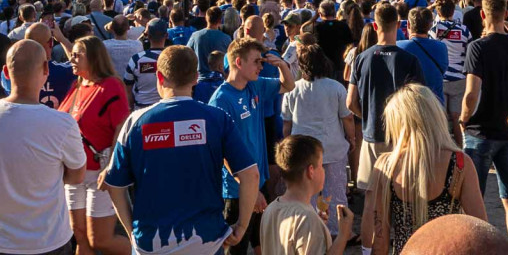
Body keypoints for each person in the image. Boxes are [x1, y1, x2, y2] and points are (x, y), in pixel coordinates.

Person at [104, 45, 261, 255]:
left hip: (151, 243)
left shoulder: (135, 122)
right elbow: (251, 174)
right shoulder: (217, 118)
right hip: (206, 240)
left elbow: (115, 186)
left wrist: (132, 233)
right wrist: (241, 227)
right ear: (196, 78)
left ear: (159, 77)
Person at [0, 39, 87, 255]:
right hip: (47, 242)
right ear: (45, 69)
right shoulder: (63, 123)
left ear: (5, 71)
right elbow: (77, 176)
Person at [363, 84, 486, 253]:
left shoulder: (386, 166)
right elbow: (480, 228)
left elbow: (380, 238)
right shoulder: (460, 164)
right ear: (436, 117)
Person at [212, 37, 296, 255]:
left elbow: (289, 85)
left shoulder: (254, 86)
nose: (261, 66)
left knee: (263, 242)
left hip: (257, 182)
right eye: (256, 61)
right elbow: (222, 154)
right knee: (236, 247)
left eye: (261, 61)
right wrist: (250, 188)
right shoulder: (221, 100)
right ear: (238, 63)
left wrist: (282, 65)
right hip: (237, 190)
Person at [459, 0, 508, 243]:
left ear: (482, 15)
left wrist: (462, 119)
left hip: (480, 130)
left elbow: (470, 94)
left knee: (473, 198)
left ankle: (479, 247)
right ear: (506, 14)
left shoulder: (477, 47)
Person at [59, 36, 131, 255]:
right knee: (79, 234)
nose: (72, 58)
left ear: (93, 58)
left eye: (78, 54)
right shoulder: (77, 87)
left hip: (99, 173)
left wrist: (111, 167)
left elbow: (121, 127)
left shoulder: (110, 86)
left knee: (100, 240)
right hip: (74, 172)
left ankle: (149, 252)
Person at [348, 4, 425, 191]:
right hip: (401, 135)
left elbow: (350, 101)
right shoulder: (409, 60)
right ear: (398, 25)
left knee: (372, 194)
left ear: (375, 26)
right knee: (401, 193)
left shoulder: (360, 58)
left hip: (372, 133)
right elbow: (420, 101)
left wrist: (367, 116)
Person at [281, 44, 354, 238]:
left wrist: (285, 142)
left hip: (303, 151)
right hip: (333, 147)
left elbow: (287, 122)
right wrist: (352, 138)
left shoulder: (292, 89)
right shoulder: (336, 87)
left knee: (307, 195)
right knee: (336, 192)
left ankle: (310, 231)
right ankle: (338, 231)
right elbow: (347, 117)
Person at [260, 135, 354, 255]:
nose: (323, 170)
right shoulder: (308, 219)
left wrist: (318, 228)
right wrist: (343, 235)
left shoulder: (271, 209)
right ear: (311, 171)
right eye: (321, 165)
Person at [428, 0, 472, 145]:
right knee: (457, 118)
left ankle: (444, 149)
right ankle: (460, 150)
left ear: (437, 11)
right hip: (460, 78)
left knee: (442, 117)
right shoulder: (464, 30)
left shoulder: (434, 30)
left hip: (441, 77)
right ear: (454, 11)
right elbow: (469, 52)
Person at [402, 215, 508, 255]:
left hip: (411, 245)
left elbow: (382, 241)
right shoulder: (458, 162)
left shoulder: (388, 164)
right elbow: (479, 217)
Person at [397, 8, 448, 105]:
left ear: (408, 24)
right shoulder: (441, 47)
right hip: (435, 107)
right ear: (430, 26)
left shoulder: (398, 47)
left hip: (409, 107)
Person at [124, 18, 169, 110]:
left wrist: (132, 108)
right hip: (165, 109)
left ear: (147, 36)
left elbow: (127, 89)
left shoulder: (136, 60)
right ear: (166, 35)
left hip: (141, 109)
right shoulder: (173, 58)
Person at [314, 0, 354, 83]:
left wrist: (314, 18)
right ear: (334, 12)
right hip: (340, 64)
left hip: (324, 66)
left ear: (320, 13)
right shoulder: (343, 26)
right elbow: (350, 44)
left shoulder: (317, 27)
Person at [188, 6, 232, 75]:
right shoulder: (226, 38)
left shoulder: (195, 36)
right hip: (220, 79)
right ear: (220, 20)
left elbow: (187, 54)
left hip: (200, 78)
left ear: (206, 18)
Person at [103, 16, 144, 81]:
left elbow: (106, 27)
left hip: (113, 83)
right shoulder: (138, 45)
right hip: (131, 83)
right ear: (128, 28)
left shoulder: (104, 45)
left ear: (112, 28)